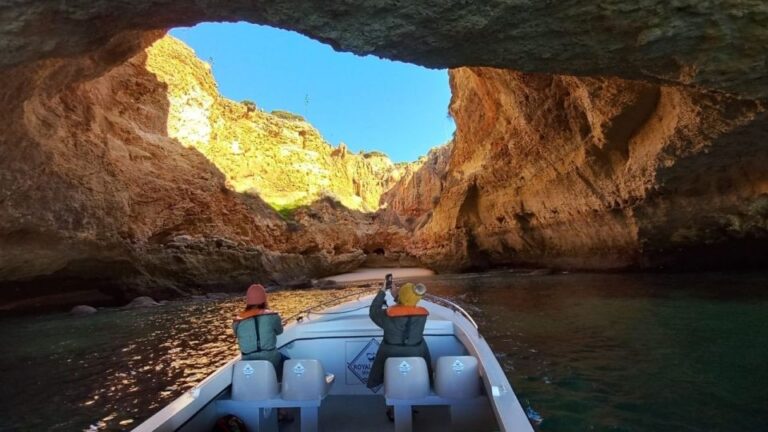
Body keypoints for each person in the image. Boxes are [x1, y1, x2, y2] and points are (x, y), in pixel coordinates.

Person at [232, 283, 293, 422]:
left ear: (248, 301)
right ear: (264, 300)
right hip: (270, 359)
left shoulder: (237, 321)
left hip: (248, 362)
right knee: (287, 363)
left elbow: (236, 334)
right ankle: (282, 410)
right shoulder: (272, 316)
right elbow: (280, 331)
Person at [367, 280, 432, 392]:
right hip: (416, 354)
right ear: (417, 299)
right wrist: (397, 296)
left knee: (386, 370)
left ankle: (384, 392)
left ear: (401, 296)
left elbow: (373, 312)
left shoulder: (387, 316)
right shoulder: (422, 317)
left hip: (390, 355)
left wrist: (382, 292)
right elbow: (408, 307)